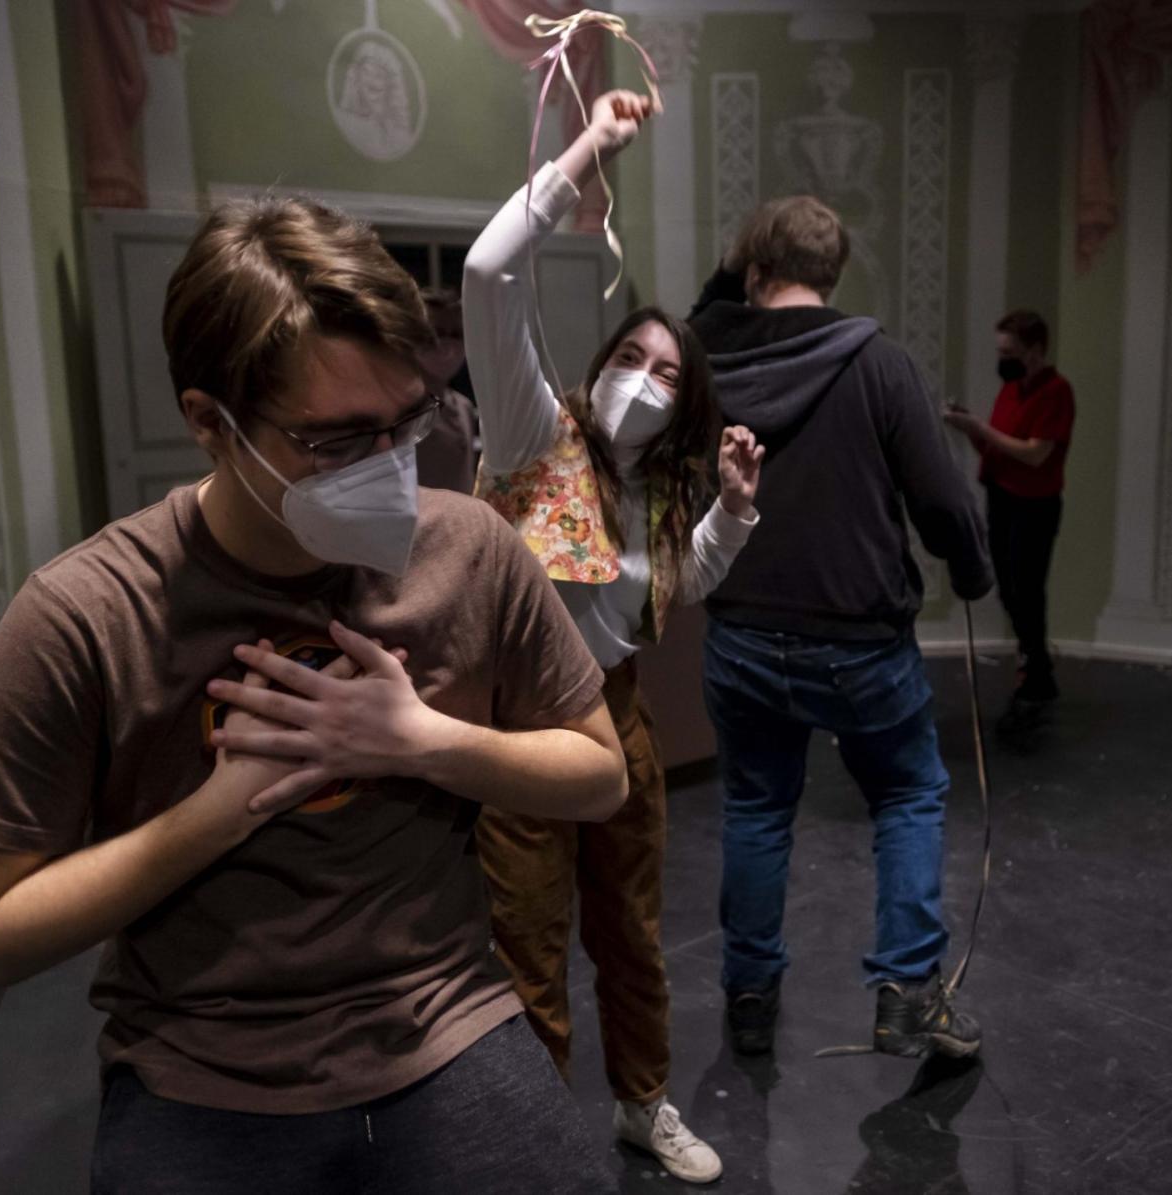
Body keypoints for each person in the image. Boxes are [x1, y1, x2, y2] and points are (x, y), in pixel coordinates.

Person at [0, 192, 631, 1194]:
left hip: (445, 1022)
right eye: (336, 442)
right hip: (204, 1064)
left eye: (405, 422)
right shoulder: (84, 615)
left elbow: (599, 774)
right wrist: (220, 809)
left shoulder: (470, 551)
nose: (388, 468)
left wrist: (417, 740)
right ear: (210, 424)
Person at [463, 90, 763, 1186]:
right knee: (529, 948)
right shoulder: (529, 430)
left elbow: (673, 590)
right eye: (631, 355)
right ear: (598, 360)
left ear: (688, 405)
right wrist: (587, 151)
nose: (642, 377)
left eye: (669, 372)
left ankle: (643, 1105)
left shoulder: (666, 490)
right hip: (526, 732)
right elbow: (488, 277)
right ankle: (540, 1142)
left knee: (631, 939)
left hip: (621, 722)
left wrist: (730, 506)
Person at [687, 195, 993, 1061]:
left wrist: (733, 269)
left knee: (755, 809)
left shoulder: (708, 360)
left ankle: (749, 1000)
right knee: (907, 794)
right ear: (832, 274)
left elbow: (697, 314)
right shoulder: (879, 362)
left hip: (743, 629)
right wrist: (972, 573)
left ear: (753, 270)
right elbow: (940, 498)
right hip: (861, 640)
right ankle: (906, 992)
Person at [944, 309, 1074, 724]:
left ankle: (1036, 670)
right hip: (1002, 497)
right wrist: (971, 429)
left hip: (1034, 503)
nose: (1003, 358)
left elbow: (1036, 454)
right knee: (1008, 588)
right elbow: (1001, 448)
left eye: (1011, 351)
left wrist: (979, 428)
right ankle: (1034, 662)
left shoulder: (1056, 392)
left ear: (1036, 350)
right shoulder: (1012, 390)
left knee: (1027, 588)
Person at [414, 286, 480, 493]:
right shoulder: (399, 409)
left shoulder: (464, 407)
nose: (447, 343)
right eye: (437, 333)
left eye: (456, 334)